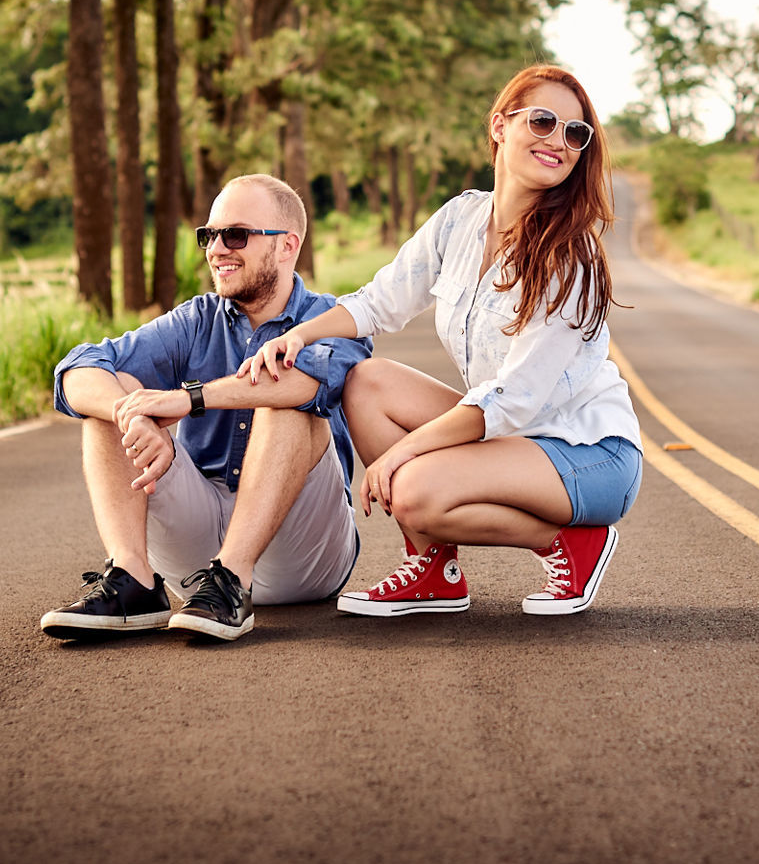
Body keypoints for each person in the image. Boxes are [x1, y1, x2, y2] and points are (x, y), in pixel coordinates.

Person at [240, 65, 643, 617]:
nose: (559, 142)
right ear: (501, 126)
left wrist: (401, 455)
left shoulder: (569, 255)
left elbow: (515, 398)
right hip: (509, 435)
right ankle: (434, 569)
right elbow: (379, 301)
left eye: (576, 134)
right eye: (544, 121)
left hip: (586, 453)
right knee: (366, 383)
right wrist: (298, 334)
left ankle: (572, 542)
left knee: (411, 488)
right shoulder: (461, 219)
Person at [42, 174, 371, 643]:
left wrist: (188, 398)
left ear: (286, 246)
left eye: (235, 234)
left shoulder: (334, 317)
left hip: (301, 550)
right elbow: (77, 368)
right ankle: (133, 580)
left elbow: (310, 384)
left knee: (289, 396)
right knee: (118, 397)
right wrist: (133, 413)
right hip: (197, 554)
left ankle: (234, 577)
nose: (217, 249)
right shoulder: (196, 319)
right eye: (208, 236)